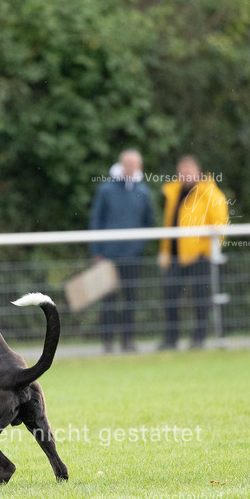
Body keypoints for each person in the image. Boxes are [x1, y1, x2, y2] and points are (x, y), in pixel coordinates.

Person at [157, 155, 229, 350]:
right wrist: (164, 251)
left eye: (189, 170)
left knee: (200, 299)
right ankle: (171, 339)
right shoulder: (173, 192)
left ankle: (199, 338)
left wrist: (206, 251)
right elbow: (169, 224)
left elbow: (219, 225)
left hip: (199, 256)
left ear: (198, 171)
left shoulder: (211, 193)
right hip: (175, 256)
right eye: (182, 170)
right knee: (170, 298)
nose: (185, 174)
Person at [88, 149, 154, 352]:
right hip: (108, 255)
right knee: (108, 301)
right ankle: (108, 342)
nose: (130, 167)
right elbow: (96, 220)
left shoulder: (144, 191)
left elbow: (148, 223)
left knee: (131, 300)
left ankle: (128, 340)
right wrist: (97, 250)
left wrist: (138, 247)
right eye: (127, 163)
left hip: (133, 256)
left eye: (134, 164)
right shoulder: (106, 190)